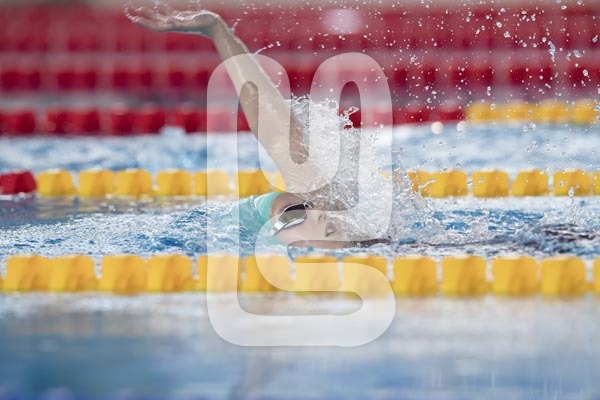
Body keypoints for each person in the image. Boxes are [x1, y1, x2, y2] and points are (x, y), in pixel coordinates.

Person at [126, 4, 391, 250]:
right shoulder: (327, 206)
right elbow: (278, 133)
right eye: (300, 212)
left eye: (295, 216)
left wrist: (217, 30)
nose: (318, 212)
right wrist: (217, 30)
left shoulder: (334, 231)